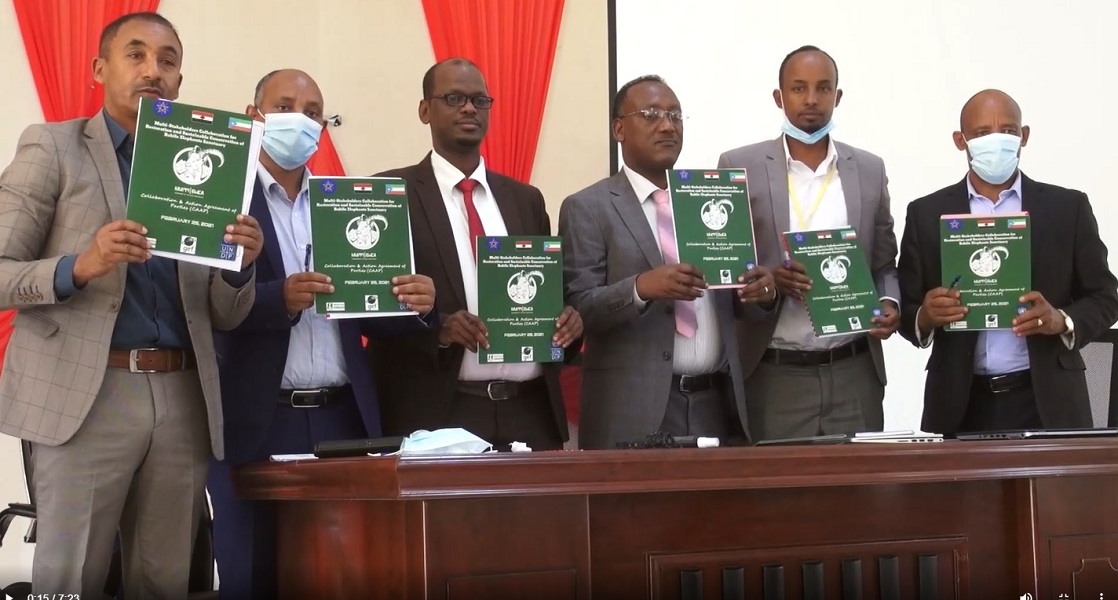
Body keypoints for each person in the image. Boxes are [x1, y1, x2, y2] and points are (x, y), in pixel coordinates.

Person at [0, 12, 262, 597]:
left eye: (168, 61)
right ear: (99, 68)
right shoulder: (53, 146)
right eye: (136, 55)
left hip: (182, 395)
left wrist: (241, 266)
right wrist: (79, 266)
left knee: (165, 580)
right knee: (68, 579)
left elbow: (224, 315)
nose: (153, 71)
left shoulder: (206, 165)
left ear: (179, 81)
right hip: (86, 395)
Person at [205, 69, 438, 600]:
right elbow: (203, 308)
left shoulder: (349, 205)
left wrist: (418, 306)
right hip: (255, 420)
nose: (301, 120)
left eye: (312, 113)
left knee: (346, 573)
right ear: (254, 117)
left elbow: (368, 313)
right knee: (252, 575)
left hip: (344, 419)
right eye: (284, 107)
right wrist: (278, 300)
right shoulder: (222, 197)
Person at [366, 58, 582, 451]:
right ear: (424, 110)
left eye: (480, 100)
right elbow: (369, 307)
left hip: (530, 411)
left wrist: (568, 323)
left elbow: (546, 296)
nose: (469, 108)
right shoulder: (390, 193)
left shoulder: (526, 199)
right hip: (439, 413)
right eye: (454, 98)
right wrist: (438, 329)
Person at [559, 75, 774, 450]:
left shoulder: (711, 199)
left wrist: (762, 293)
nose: (667, 126)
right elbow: (579, 307)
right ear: (619, 129)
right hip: (632, 409)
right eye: (651, 114)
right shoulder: (588, 207)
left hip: (715, 401)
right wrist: (640, 288)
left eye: (675, 115)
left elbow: (740, 307)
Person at [898, 89, 1118, 434]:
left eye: (1008, 130)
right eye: (983, 132)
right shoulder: (926, 213)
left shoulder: (1067, 208)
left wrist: (1061, 320)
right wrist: (925, 315)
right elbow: (906, 305)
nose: (997, 141)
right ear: (960, 140)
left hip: (1048, 401)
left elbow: (1106, 297)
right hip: (960, 403)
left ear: (1024, 136)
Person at [717, 45, 900, 441]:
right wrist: (770, 283)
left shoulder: (870, 169)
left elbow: (884, 264)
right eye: (799, 88)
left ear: (838, 95)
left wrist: (890, 303)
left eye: (823, 88)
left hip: (854, 370)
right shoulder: (739, 165)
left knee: (858, 480)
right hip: (775, 371)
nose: (812, 99)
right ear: (779, 97)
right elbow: (727, 267)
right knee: (778, 482)